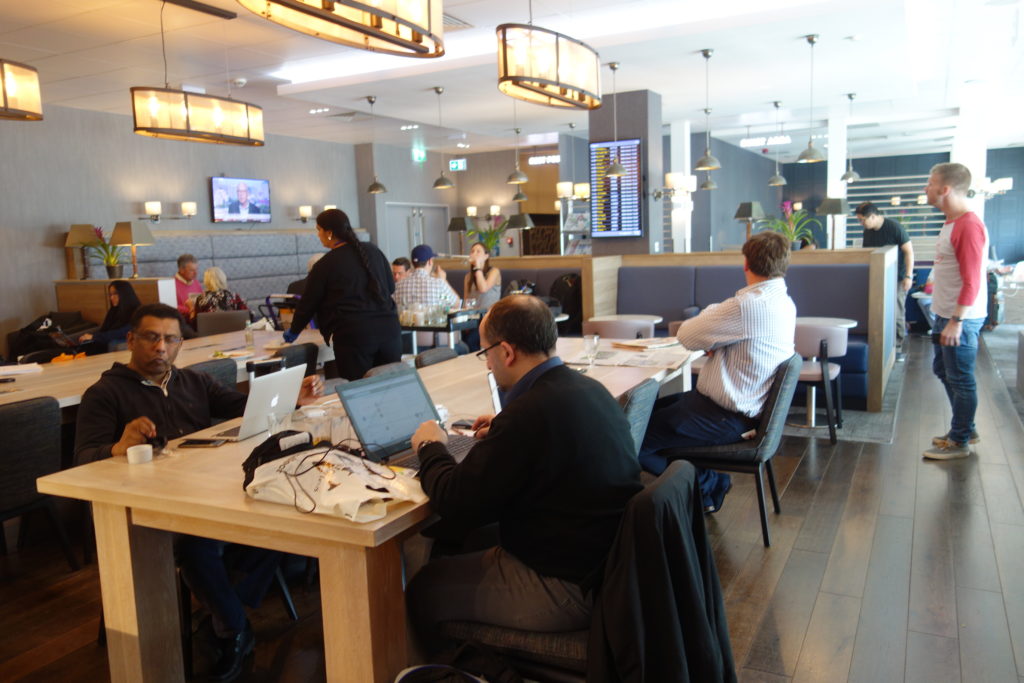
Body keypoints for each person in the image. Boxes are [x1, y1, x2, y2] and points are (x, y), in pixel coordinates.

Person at [73, 303, 321, 681]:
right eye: (152, 337)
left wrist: (294, 398)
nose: (161, 347)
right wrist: (118, 445)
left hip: (205, 492)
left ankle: (223, 610)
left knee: (279, 512)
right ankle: (233, 627)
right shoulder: (105, 394)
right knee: (195, 545)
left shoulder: (192, 382)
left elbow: (246, 407)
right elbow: (81, 461)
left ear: (179, 346)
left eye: (171, 339)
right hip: (149, 507)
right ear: (130, 340)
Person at [406, 295, 642, 654]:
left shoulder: (528, 414)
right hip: (608, 568)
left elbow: (454, 501)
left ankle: (451, 672)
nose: (487, 363)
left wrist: (430, 447)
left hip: (567, 587)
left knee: (423, 588)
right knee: (472, 541)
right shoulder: (587, 389)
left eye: (484, 353)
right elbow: (546, 440)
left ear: (507, 352)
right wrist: (502, 430)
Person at [638, 231, 796, 513]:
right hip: (735, 409)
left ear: (745, 263)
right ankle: (708, 483)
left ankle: (705, 489)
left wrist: (714, 334)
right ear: (784, 264)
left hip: (724, 416)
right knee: (643, 414)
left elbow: (686, 334)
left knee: (632, 436)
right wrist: (719, 340)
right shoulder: (783, 302)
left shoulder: (747, 306)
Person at [283, 208, 402, 381]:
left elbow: (308, 304)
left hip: (355, 337)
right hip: (390, 331)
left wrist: (292, 333)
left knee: (358, 392)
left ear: (329, 233)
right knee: (391, 385)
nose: (318, 235)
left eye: (319, 230)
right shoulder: (373, 251)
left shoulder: (325, 265)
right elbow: (390, 287)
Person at [922, 162, 989, 460]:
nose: (926, 188)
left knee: (961, 379)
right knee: (942, 370)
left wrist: (957, 321)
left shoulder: (968, 225)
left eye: (930, 182)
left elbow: (973, 280)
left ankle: (960, 439)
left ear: (945, 189)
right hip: (944, 312)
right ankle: (965, 427)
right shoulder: (951, 222)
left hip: (959, 317)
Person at [855, 201, 915, 361]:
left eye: (862, 220)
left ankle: (898, 347)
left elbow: (909, 252)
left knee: (897, 312)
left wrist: (908, 276)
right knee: (875, 312)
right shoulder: (867, 231)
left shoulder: (894, 228)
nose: (861, 223)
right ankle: (881, 347)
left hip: (897, 278)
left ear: (873, 216)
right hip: (876, 278)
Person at [77, 279, 141, 353]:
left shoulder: (136, 311)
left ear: (124, 294)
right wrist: (91, 337)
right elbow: (104, 330)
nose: (111, 298)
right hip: (106, 341)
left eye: (115, 294)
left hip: (117, 342)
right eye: (110, 295)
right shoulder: (114, 311)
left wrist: (95, 337)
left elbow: (122, 332)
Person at [461, 242, 502, 351]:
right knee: (460, 339)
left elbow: (483, 288)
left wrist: (477, 268)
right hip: (472, 318)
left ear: (486, 256)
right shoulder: (468, 277)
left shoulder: (494, 272)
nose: (474, 254)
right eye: (472, 251)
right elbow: (466, 301)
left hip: (488, 318)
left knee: (472, 340)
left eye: (478, 251)